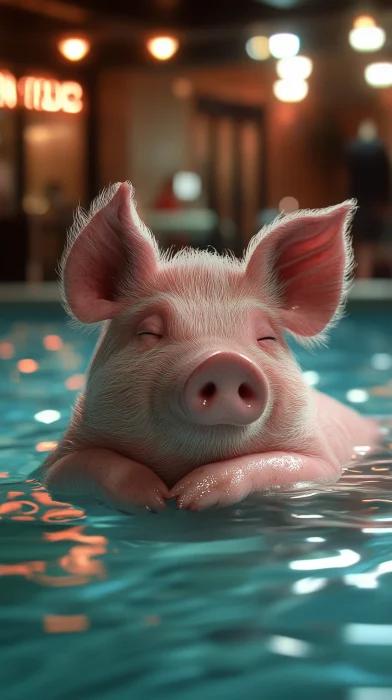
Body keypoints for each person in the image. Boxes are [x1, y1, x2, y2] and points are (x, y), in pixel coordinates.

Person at [344, 120, 391, 278]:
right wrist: (383, 203)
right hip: (372, 203)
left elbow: (347, 179)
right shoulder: (380, 150)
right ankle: (365, 276)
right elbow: (384, 180)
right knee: (368, 242)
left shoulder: (351, 150)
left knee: (359, 241)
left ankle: (362, 276)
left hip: (356, 202)